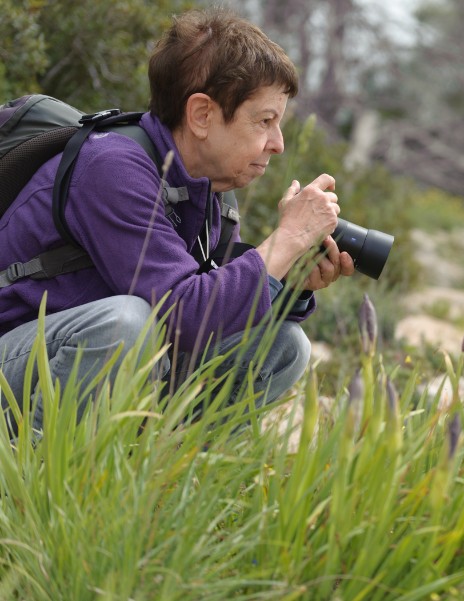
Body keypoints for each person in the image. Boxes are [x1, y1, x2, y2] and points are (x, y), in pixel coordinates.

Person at [0, 8, 354, 436]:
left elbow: (218, 318)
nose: (277, 144)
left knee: (282, 345)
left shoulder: (210, 192)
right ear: (202, 114)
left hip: (91, 370)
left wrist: (290, 281)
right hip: (16, 361)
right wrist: (285, 240)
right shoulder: (112, 167)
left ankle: (165, 474)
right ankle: (38, 478)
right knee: (125, 323)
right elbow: (186, 317)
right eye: (265, 121)